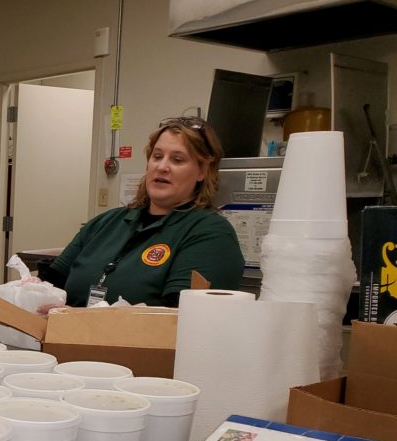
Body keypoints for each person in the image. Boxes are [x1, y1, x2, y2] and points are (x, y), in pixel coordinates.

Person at [38, 116, 244, 307]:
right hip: (66, 341)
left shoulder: (210, 234)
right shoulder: (105, 223)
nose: (162, 167)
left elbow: (178, 319)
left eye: (177, 160)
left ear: (202, 171)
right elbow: (49, 284)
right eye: (157, 156)